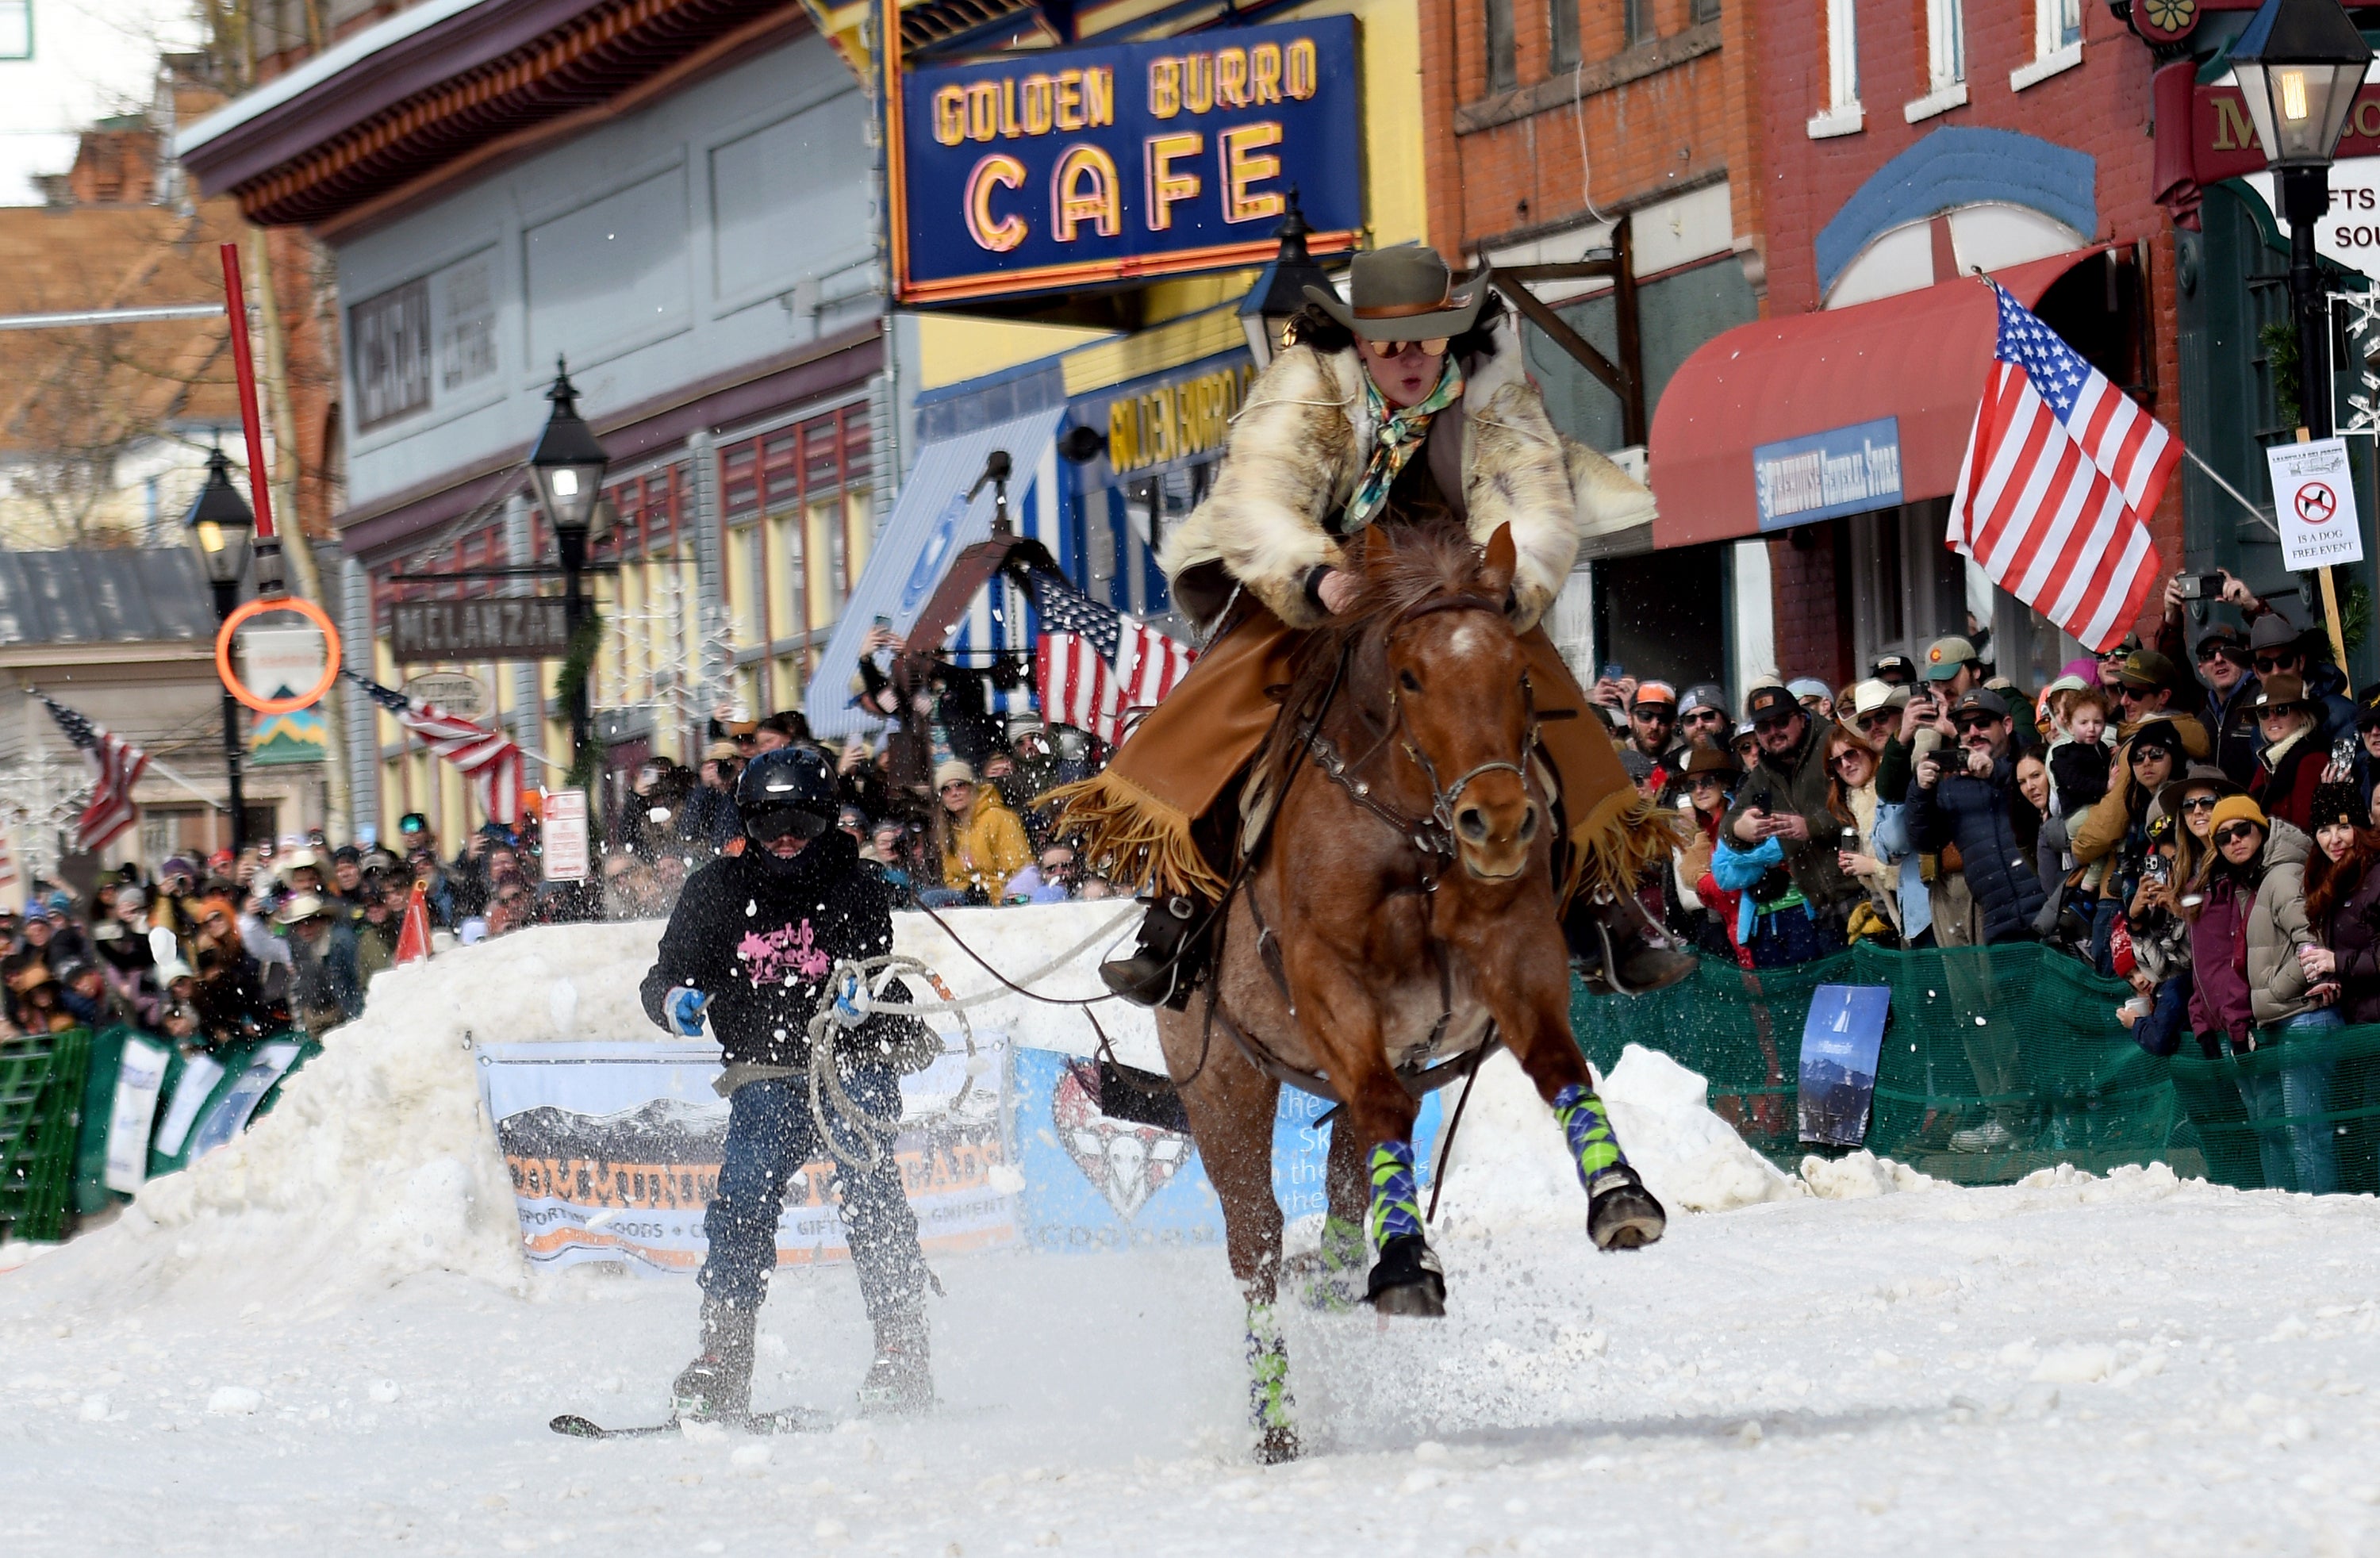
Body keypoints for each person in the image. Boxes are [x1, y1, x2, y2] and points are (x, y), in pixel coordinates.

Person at [1059, 244, 1678, 1006]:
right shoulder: (1305, 387)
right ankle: (1176, 913)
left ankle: (1605, 906)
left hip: (1453, 584)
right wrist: (1318, 577)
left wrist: (1506, 588)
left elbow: (1533, 505)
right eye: (1391, 343)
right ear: (1360, 341)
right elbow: (1259, 500)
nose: (1411, 357)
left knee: (1550, 705)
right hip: (1328, 582)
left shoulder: (1496, 396)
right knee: (1223, 702)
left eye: (1428, 337)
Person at [640, 746, 934, 1419]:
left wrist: (868, 987)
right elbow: (661, 978)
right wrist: (674, 1001)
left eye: (801, 817)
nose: (786, 835)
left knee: (869, 1184)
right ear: (748, 821)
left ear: (827, 819)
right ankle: (722, 1358)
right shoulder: (714, 891)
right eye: (771, 819)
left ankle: (901, 1348)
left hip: (848, 1057)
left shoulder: (856, 883)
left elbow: (877, 960)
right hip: (765, 1067)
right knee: (742, 1192)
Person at [2236, 794, 2342, 1195]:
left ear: (2261, 831)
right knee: (2290, 1132)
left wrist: (2274, 992)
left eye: (2242, 830)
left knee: (2307, 1132)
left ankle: (2323, 1226)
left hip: (2305, 1017)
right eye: (2224, 836)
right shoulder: (2257, 881)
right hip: (2285, 1021)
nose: (2234, 841)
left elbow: (2311, 942)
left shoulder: (2281, 876)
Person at [1722, 685, 1864, 964]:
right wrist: (1742, 829)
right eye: (1764, 727)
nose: (1773, 732)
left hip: (1863, 891)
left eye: (1782, 722)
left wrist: (1811, 826)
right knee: (1843, 997)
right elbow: (1728, 826)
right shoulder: (1764, 769)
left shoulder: (1832, 741)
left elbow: (1861, 803)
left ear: (1801, 717)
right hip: (1821, 908)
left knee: (1882, 992)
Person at [1908, 689, 2048, 944]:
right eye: (1964, 727)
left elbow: (2045, 800)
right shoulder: (1952, 787)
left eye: (1982, 723)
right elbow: (1925, 841)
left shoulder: (2032, 758)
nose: (1973, 733)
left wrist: (1996, 772)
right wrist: (1921, 791)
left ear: (2006, 725)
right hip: (1999, 925)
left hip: (2050, 909)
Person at [2302, 782, 2380, 1027]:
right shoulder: (2330, 883)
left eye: (2344, 827)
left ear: (2360, 828)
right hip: (2359, 1023)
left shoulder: (2376, 874)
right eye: (2324, 830)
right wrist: (2332, 979)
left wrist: (2337, 961)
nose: (2334, 840)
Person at [932, 758, 1032, 905]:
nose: (955, 793)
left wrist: (986, 891)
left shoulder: (998, 817)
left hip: (1003, 899)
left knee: (931, 900)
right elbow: (951, 879)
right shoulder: (947, 829)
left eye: (960, 785)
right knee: (930, 901)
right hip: (968, 900)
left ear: (973, 787)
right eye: (946, 789)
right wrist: (968, 889)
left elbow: (1019, 871)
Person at [2247, 612, 2356, 746]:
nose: (2276, 672)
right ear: (2256, 672)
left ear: (2301, 662)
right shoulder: (2259, 731)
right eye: (2265, 666)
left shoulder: (2338, 713)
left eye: (2284, 661)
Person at [2248, 673, 2328, 832]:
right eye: (2264, 712)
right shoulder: (2269, 760)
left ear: (2302, 714)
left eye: (2281, 710)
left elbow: (2303, 829)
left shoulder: (2312, 760)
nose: (2272, 718)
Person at [278, 892, 361, 1038]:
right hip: (327, 1013)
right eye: (298, 926)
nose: (304, 930)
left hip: (348, 1016)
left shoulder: (342, 941)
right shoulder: (308, 945)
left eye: (309, 923)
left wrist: (355, 1020)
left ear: (323, 920)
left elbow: (356, 982)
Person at [1676, 684, 1731, 752]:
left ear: (1724, 719)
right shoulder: (1673, 761)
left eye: (1708, 716)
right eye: (1690, 719)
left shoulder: (1744, 755)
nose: (1700, 725)